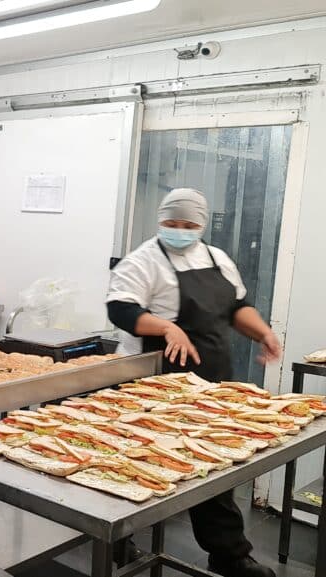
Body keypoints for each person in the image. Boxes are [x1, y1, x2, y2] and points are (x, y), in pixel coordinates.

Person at [106, 188, 281, 577]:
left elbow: (237, 306)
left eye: (188, 225)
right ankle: (119, 540)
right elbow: (120, 308)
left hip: (212, 378)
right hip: (156, 381)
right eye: (172, 223)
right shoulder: (144, 260)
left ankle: (228, 554)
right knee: (140, 461)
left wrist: (263, 333)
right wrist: (167, 326)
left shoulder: (217, 257)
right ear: (161, 220)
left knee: (213, 462)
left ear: (201, 225)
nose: (179, 231)